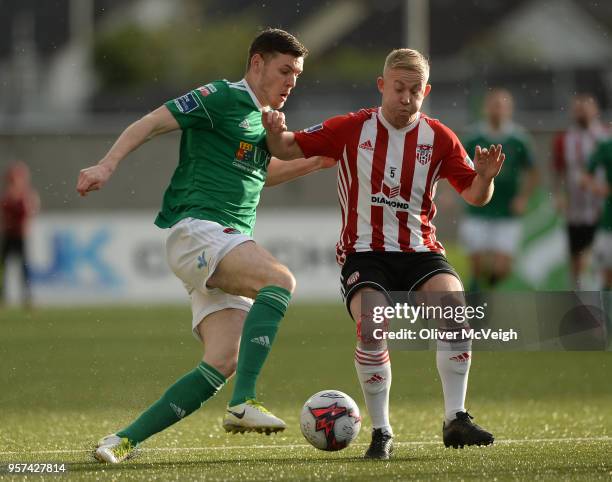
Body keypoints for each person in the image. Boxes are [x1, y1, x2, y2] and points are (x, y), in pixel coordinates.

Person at [77, 28, 333, 464]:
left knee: (223, 359)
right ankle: (244, 402)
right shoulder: (221, 97)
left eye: (298, 74)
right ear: (256, 63)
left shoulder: (261, 120)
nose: (291, 81)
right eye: (284, 70)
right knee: (279, 280)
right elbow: (151, 122)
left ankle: (121, 441)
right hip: (200, 230)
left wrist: (317, 161)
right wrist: (107, 164)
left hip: (223, 242)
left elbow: (259, 175)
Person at [264, 48, 499, 459]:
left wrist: (485, 178)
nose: (405, 98)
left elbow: (477, 197)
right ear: (381, 86)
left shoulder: (440, 138)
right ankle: (382, 432)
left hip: (420, 250)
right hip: (364, 252)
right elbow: (286, 149)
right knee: (373, 325)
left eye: (413, 91)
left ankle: (456, 418)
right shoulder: (351, 128)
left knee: (456, 312)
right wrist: (273, 129)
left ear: (425, 91)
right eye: (397, 89)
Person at [459, 88, 538, 291]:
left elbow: (533, 172)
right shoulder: (473, 138)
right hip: (478, 209)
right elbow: (457, 168)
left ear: (509, 110)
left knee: (503, 269)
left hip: (506, 212)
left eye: (502, 106)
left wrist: (522, 198)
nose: (498, 110)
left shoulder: (519, 139)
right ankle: (477, 305)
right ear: (486, 108)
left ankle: (487, 293)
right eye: (494, 105)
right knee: (476, 265)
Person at [553, 94, 607, 289]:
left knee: (601, 255)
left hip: (601, 207)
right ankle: (579, 298)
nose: (582, 112)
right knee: (577, 257)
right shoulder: (564, 139)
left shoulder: (606, 136)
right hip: (575, 208)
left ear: (596, 111)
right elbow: (558, 170)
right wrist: (558, 195)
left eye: (586, 107)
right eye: (578, 108)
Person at [0, 161, 40, 308]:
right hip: (8, 234)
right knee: (3, 267)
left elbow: (30, 213)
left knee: (24, 268)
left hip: (20, 236)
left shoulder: (26, 195)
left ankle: (27, 297)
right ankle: (2, 296)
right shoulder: (7, 195)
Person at [583, 137, 612, 291]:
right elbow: (585, 178)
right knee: (606, 273)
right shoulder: (607, 146)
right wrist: (598, 188)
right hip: (609, 222)